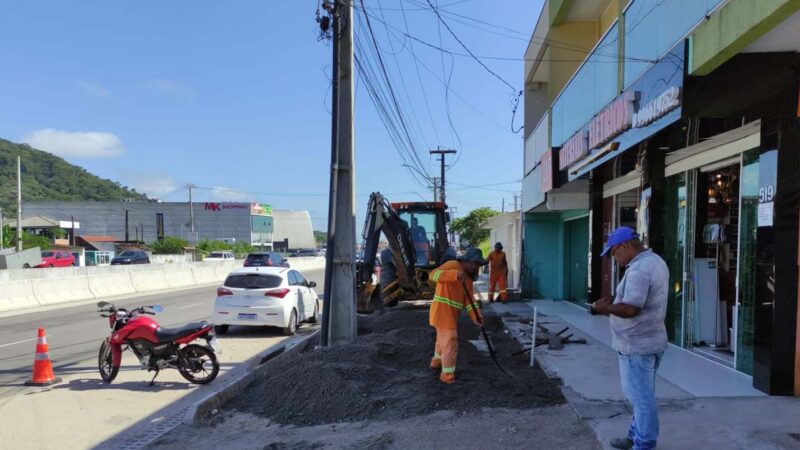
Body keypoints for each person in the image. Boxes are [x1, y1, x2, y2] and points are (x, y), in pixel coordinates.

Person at [591, 227, 669, 450]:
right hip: (650, 341)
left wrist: (605, 308)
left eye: (613, 253)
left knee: (640, 399)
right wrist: (612, 304)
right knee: (642, 394)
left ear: (625, 246)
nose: (614, 259)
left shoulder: (639, 270)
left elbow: (631, 309)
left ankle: (644, 444)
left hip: (636, 345)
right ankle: (635, 436)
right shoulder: (654, 261)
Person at [428, 247, 487, 384]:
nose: (477, 268)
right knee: (450, 343)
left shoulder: (468, 279)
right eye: (476, 264)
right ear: (468, 261)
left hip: (450, 315)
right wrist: (453, 274)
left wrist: (477, 317)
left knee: (442, 342)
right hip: (442, 312)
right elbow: (433, 275)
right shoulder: (453, 265)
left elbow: (470, 301)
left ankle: (436, 363)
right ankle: (447, 376)